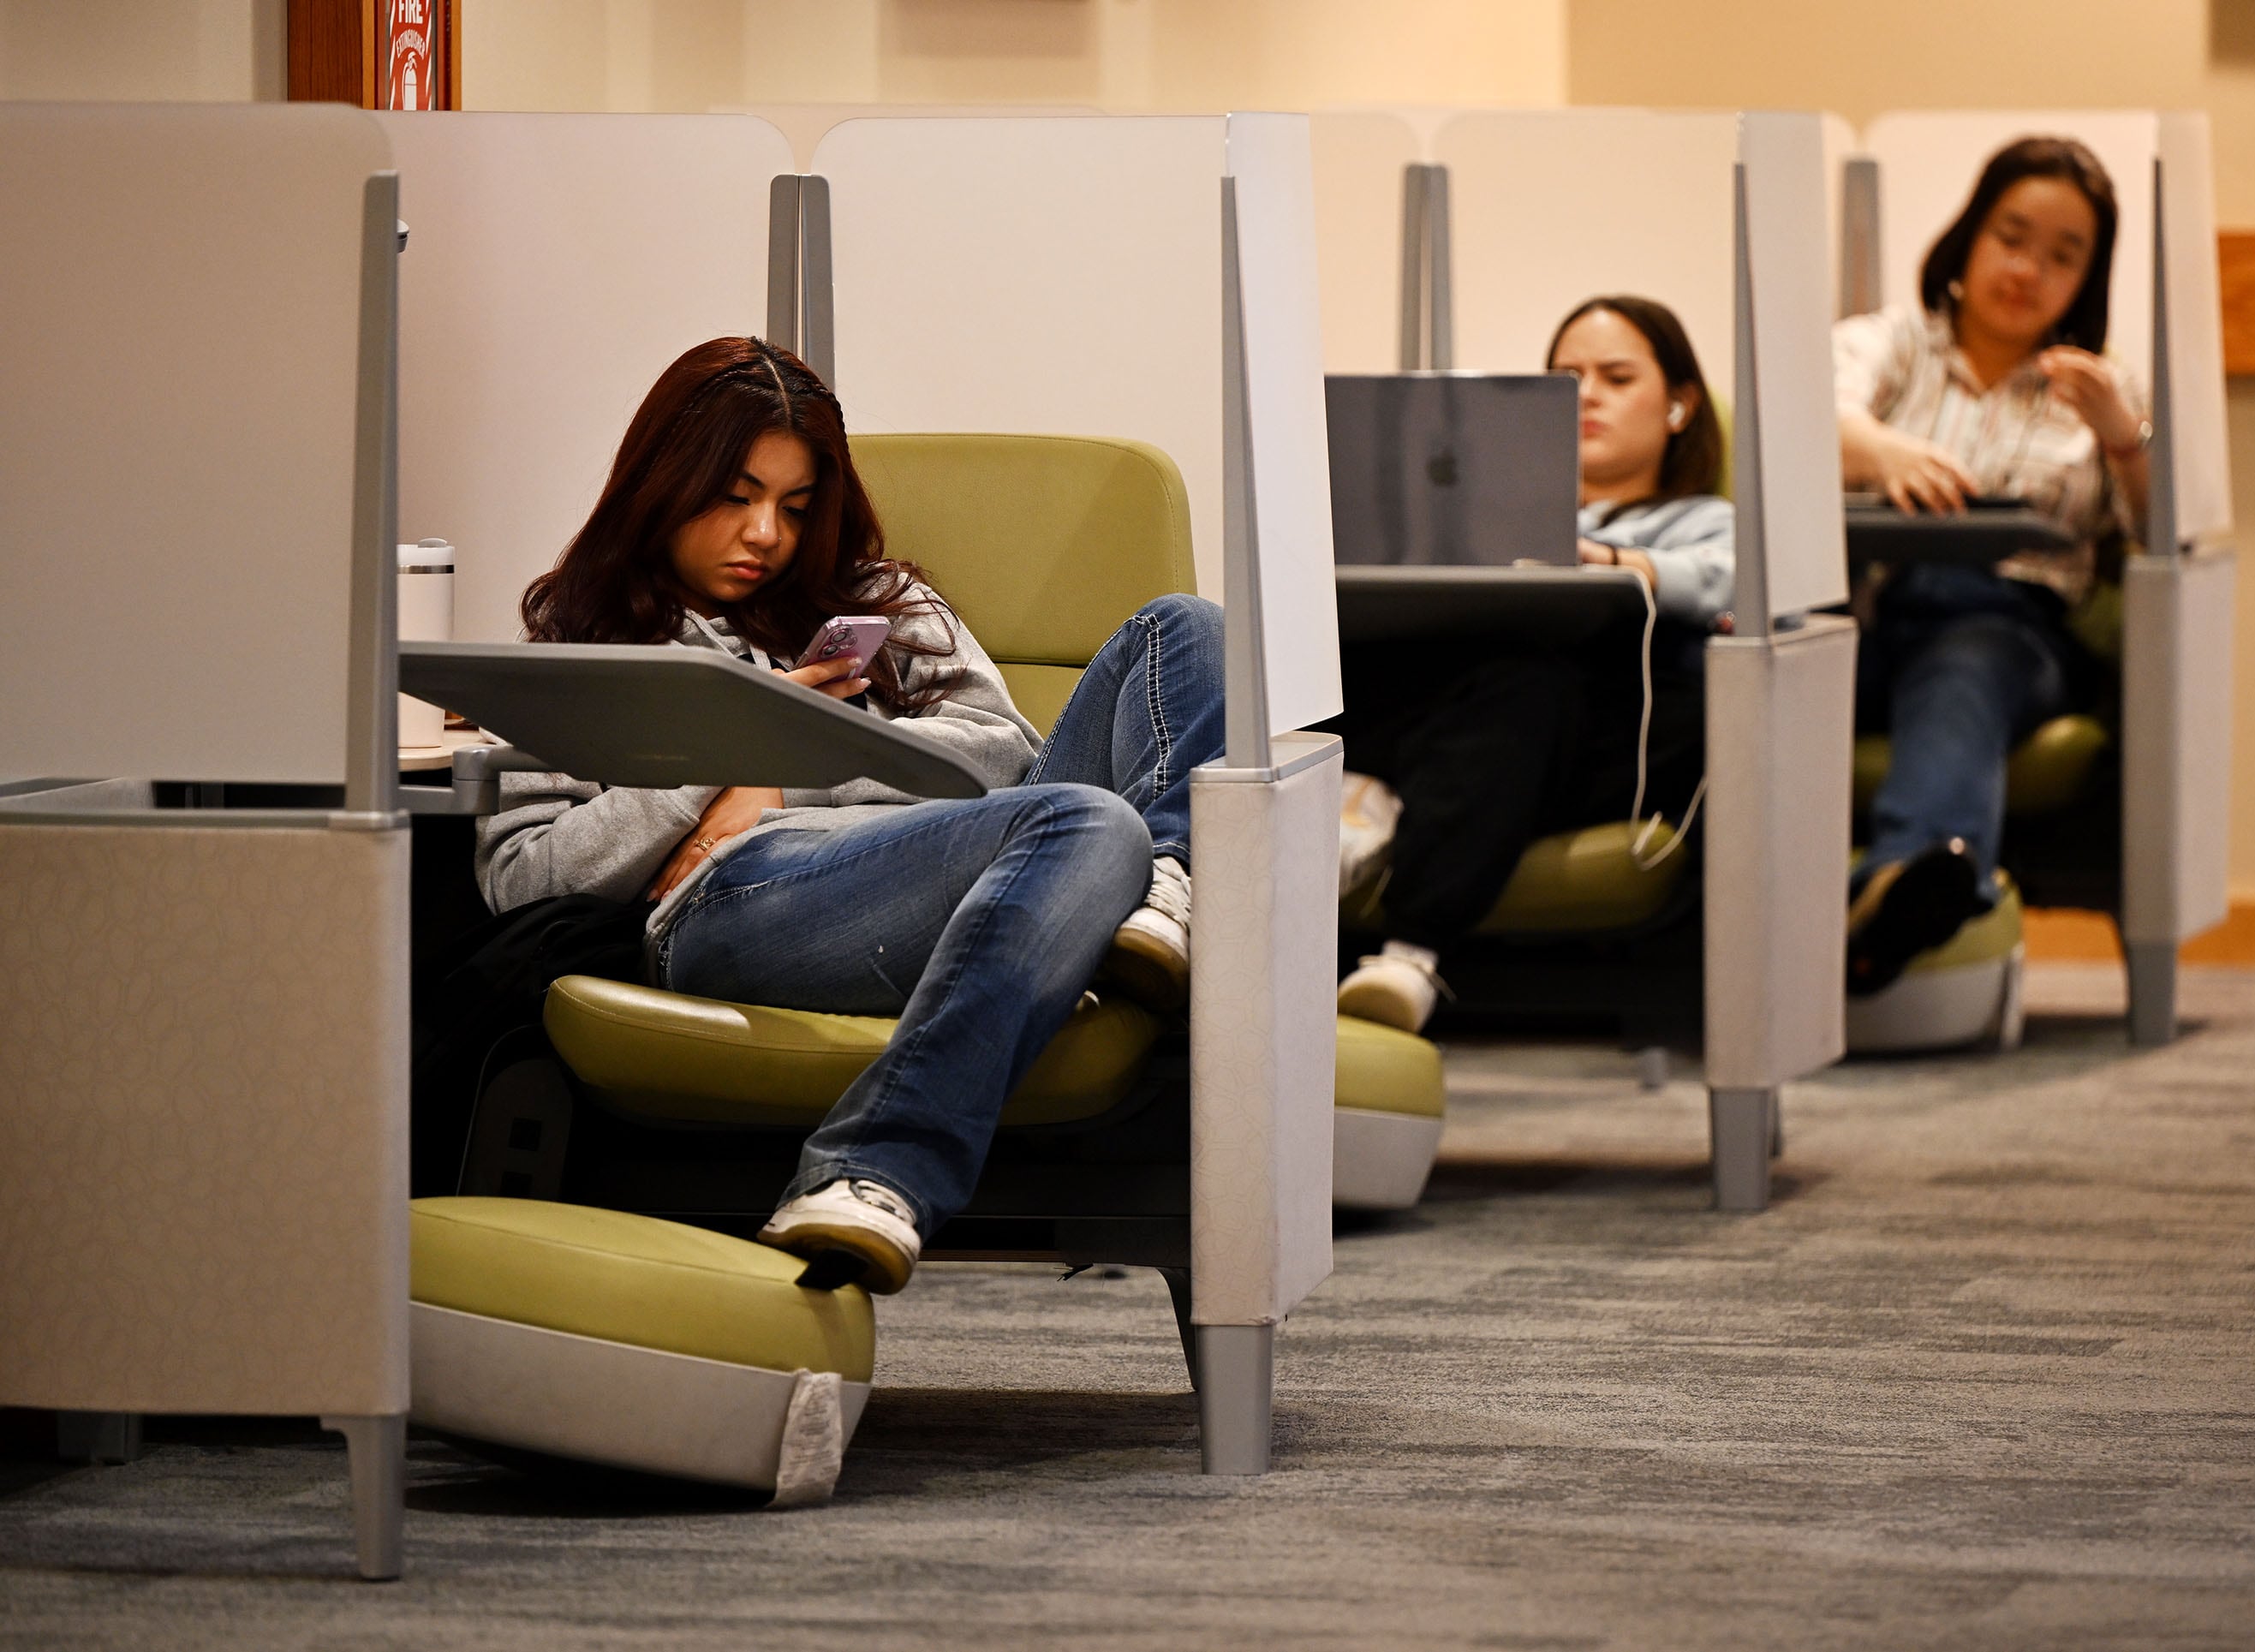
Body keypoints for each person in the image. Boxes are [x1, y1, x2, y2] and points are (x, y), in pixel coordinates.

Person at [478, 337, 1223, 1293]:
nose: (766, 536)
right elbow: (523, 879)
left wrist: (791, 771)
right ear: (662, 485)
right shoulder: (580, 646)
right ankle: (882, 1161)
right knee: (1090, 829)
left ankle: (1160, 885)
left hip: (969, 863)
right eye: (734, 497)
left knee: (1187, 631)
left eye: (794, 506)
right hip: (736, 903)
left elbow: (1007, 755)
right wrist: (722, 757)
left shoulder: (879, 605)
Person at [1327, 295, 1735, 1036]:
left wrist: (1607, 560)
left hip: (1580, 733)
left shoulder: (1702, 521)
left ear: (1679, 404)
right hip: (1445, 702)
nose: (1588, 397)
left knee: (1537, 692)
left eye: (1616, 378)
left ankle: (1409, 948)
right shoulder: (1475, 511)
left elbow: (1726, 578)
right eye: (1567, 379)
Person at [1835, 136, 2150, 994]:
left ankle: (1913, 878)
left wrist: (2124, 439)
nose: (2028, 269)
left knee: (1967, 660)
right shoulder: (1891, 342)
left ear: (2089, 278)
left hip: (2016, 631)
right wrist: (1884, 453)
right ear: (1968, 236)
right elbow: (1812, 419)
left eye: (2062, 256)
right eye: (2011, 237)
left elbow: (2165, 536)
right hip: (1869, 618)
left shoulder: (2101, 390)